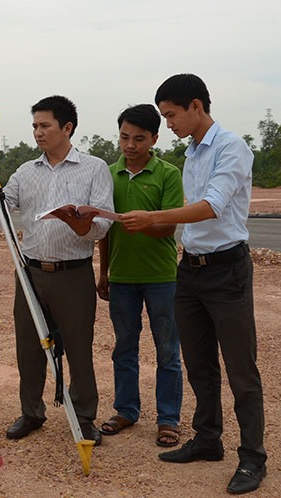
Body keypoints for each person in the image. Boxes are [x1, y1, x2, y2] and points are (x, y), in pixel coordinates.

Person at [121, 74, 267, 495]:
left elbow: (211, 207)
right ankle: (207, 439)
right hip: (190, 270)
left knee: (240, 368)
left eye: (171, 115)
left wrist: (153, 217)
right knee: (199, 364)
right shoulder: (192, 153)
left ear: (196, 106)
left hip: (227, 269)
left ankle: (253, 457)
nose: (168, 124)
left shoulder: (231, 147)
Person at [2, 95, 114, 446]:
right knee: (28, 346)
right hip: (31, 272)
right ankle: (31, 412)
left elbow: (103, 224)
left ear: (67, 127)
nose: (38, 132)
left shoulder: (94, 168)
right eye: (35, 126)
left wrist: (82, 225)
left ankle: (83, 416)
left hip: (73, 273)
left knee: (79, 347)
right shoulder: (25, 171)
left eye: (45, 125)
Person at [96, 104, 184, 448]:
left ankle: (168, 419)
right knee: (124, 348)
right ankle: (126, 410)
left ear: (154, 139)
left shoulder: (168, 174)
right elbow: (105, 230)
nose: (130, 145)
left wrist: (144, 222)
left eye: (139, 138)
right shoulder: (108, 174)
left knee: (167, 350)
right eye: (124, 137)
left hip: (162, 277)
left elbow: (169, 226)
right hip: (121, 278)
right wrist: (103, 272)